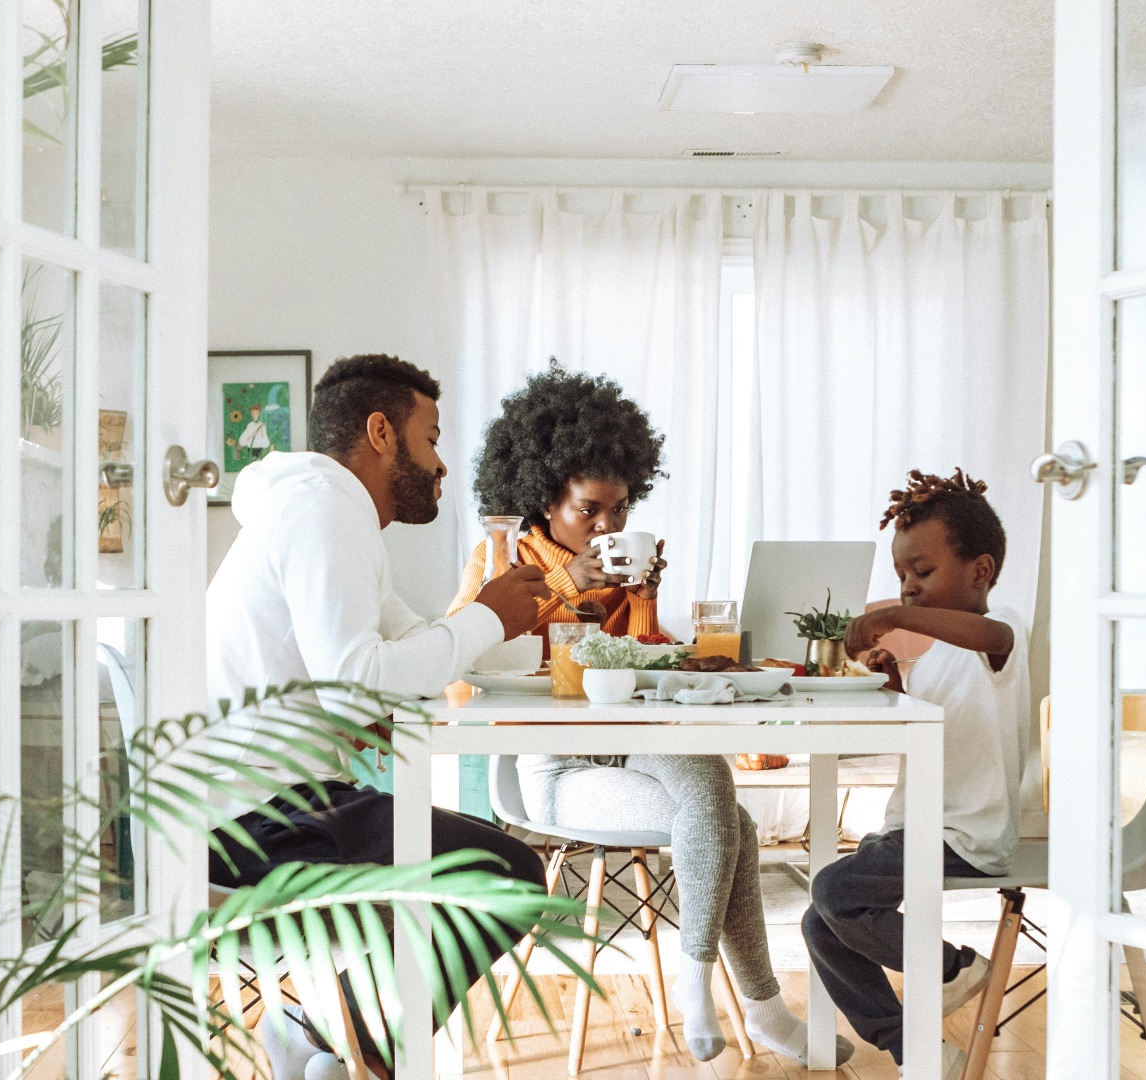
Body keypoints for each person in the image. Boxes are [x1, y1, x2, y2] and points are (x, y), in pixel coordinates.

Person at [446, 367, 851, 1066]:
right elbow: (460, 675)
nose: (608, 527)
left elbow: (634, 672)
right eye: (589, 510)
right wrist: (568, 584)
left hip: (632, 744)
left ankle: (704, 985)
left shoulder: (618, 563)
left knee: (711, 785)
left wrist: (643, 605)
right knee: (731, 820)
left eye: (620, 509)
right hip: (556, 766)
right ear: (543, 496)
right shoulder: (502, 558)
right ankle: (752, 1006)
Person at [206, 354, 554, 1077]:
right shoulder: (323, 508)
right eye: (431, 439)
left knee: (500, 868)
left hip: (271, 803)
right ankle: (349, 1047)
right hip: (254, 823)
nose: (441, 465)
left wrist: (481, 621)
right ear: (381, 432)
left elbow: (402, 652)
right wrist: (488, 616)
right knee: (507, 874)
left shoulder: (325, 511)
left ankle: (322, 1034)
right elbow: (362, 680)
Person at [799, 469, 1028, 1078]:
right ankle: (921, 1055)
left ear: (980, 570)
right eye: (902, 575)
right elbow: (931, 724)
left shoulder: (1002, 629)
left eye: (922, 573)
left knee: (833, 894)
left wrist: (898, 619)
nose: (908, 587)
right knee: (820, 924)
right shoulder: (941, 654)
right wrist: (895, 679)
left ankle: (953, 968)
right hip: (917, 828)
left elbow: (991, 634)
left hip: (966, 836)